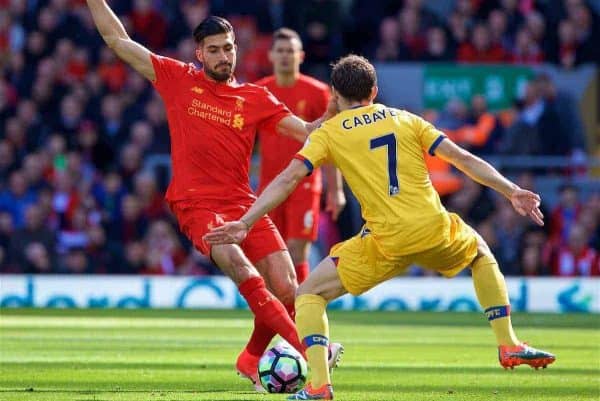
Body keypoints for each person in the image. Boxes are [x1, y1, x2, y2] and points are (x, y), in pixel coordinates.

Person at [205, 55, 556, 400]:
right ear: (373, 90)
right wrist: (512, 191)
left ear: (335, 96)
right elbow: (462, 158)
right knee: (480, 252)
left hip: (385, 241)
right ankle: (508, 343)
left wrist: (245, 222)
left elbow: (289, 179)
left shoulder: (329, 133)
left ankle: (319, 385)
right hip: (432, 228)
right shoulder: (407, 120)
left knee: (309, 295)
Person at [85, 2, 345, 392]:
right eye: (215, 49)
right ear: (198, 53)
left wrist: (331, 115)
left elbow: (306, 130)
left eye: (229, 48)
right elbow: (117, 40)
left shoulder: (257, 98)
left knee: (289, 287)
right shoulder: (176, 78)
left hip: (243, 204)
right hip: (196, 205)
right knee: (245, 272)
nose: (224, 56)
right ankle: (314, 357)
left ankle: (250, 359)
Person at [255, 28, 333, 284]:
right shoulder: (258, 92)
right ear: (271, 56)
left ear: (301, 55)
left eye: (291, 51)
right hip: (270, 183)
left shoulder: (318, 92)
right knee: (271, 252)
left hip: (305, 182)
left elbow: (331, 143)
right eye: (281, 51)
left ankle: (299, 309)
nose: (286, 56)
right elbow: (248, 143)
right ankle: (277, 308)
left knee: (297, 249)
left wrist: (336, 189)